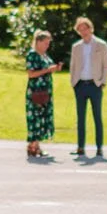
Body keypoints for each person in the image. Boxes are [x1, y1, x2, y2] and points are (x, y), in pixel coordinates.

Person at [68, 15, 107, 161]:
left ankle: (99, 148)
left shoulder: (101, 45)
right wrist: (73, 82)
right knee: (81, 118)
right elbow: (73, 66)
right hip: (80, 84)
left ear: (90, 28)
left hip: (95, 85)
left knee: (97, 117)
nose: (83, 32)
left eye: (85, 28)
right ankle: (80, 147)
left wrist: (103, 81)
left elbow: (106, 65)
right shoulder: (76, 47)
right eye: (80, 30)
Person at [24, 28, 60, 159]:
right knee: (35, 118)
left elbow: (48, 68)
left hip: (45, 91)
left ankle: (36, 146)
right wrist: (47, 70)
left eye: (48, 43)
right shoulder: (32, 55)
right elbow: (31, 73)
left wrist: (55, 68)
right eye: (45, 43)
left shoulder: (44, 55)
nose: (47, 45)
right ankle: (32, 146)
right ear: (38, 42)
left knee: (42, 118)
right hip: (35, 91)